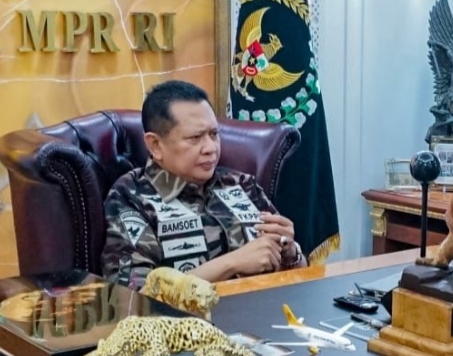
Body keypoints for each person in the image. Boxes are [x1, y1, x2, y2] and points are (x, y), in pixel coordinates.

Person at [101, 80, 306, 289]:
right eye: (195, 137)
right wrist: (231, 263)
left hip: (268, 305)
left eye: (214, 134)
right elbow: (134, 293)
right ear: (156, 145)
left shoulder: (240, 184)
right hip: (193, 312)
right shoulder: (131, 196)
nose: (211, 148)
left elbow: (299, 277)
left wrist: (291, 253)